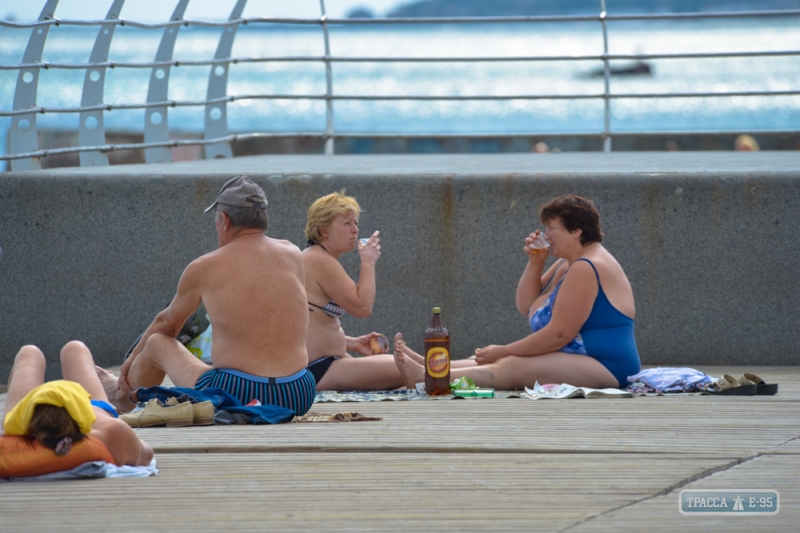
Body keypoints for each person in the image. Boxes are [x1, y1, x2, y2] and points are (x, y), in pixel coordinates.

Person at [100, 175, 316, 416]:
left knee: (156, 343)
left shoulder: (204, 267)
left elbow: (166, 326)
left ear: (224, 220)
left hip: (239, 394)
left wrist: (129, 362)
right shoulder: (293, 253)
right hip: (298, 392)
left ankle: (120, 397)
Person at [394, 195, 641, 390]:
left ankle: (429, 379)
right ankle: (430, 369)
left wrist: (504, 349)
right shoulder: (570, 262)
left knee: (510, 364)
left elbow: (558, 335)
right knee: (494, 360)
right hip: (585, 359)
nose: (545, 236)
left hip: (609, 366)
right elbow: (527, 305)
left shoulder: (587, 267)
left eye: (551, 228)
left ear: (576, 230)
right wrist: (536, 263)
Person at [301, 192, 476, 390]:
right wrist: (368, 261)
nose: (355, 230)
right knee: (402, 368)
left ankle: (480, 366)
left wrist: (352, 342)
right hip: (317, 369)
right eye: (347, 223)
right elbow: (362, 307)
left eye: (356, 223)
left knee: (408, 365)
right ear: (324, 229)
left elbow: (311, 323)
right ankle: (491, 372)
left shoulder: (315, 258)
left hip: (322, 364)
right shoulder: (320, 261)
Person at [2, 341, 153, 468]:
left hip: (24, 428)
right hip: (96, 418)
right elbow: (146, 454)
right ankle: (107, 386)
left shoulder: (11, 441)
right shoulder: (112, 434)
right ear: (82, 414)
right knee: (75, 348)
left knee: (29, 353)